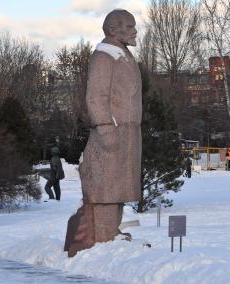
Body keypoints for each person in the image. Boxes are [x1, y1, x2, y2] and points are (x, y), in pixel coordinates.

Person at [64, 9, 142, 257]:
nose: (134, 31)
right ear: (112, 30)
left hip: (127, 131)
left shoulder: (122, 55)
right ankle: (103, 236)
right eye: (129, 27)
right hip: (112, 131)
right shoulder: (103, 56)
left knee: (118, 187)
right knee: (107, 187)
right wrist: (105, 127)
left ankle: (112, 231)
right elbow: (96, 97)